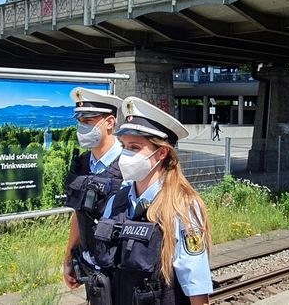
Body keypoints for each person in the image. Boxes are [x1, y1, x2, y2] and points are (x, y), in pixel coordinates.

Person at [93, 96, 212, 305]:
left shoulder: (182, 207)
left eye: (135, 147)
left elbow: (196, 287)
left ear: (162, 152)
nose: (126, 155)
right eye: (124, 146)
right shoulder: (116, 202)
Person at [63, 88, 125, 293]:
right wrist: (69, 256)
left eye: (88, 121)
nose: (82, 127)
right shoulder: (82, 164)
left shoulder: (129, 165)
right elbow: (79, 213)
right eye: (79, 121)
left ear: (109, 122)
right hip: (90, 268)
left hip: (122, 270)